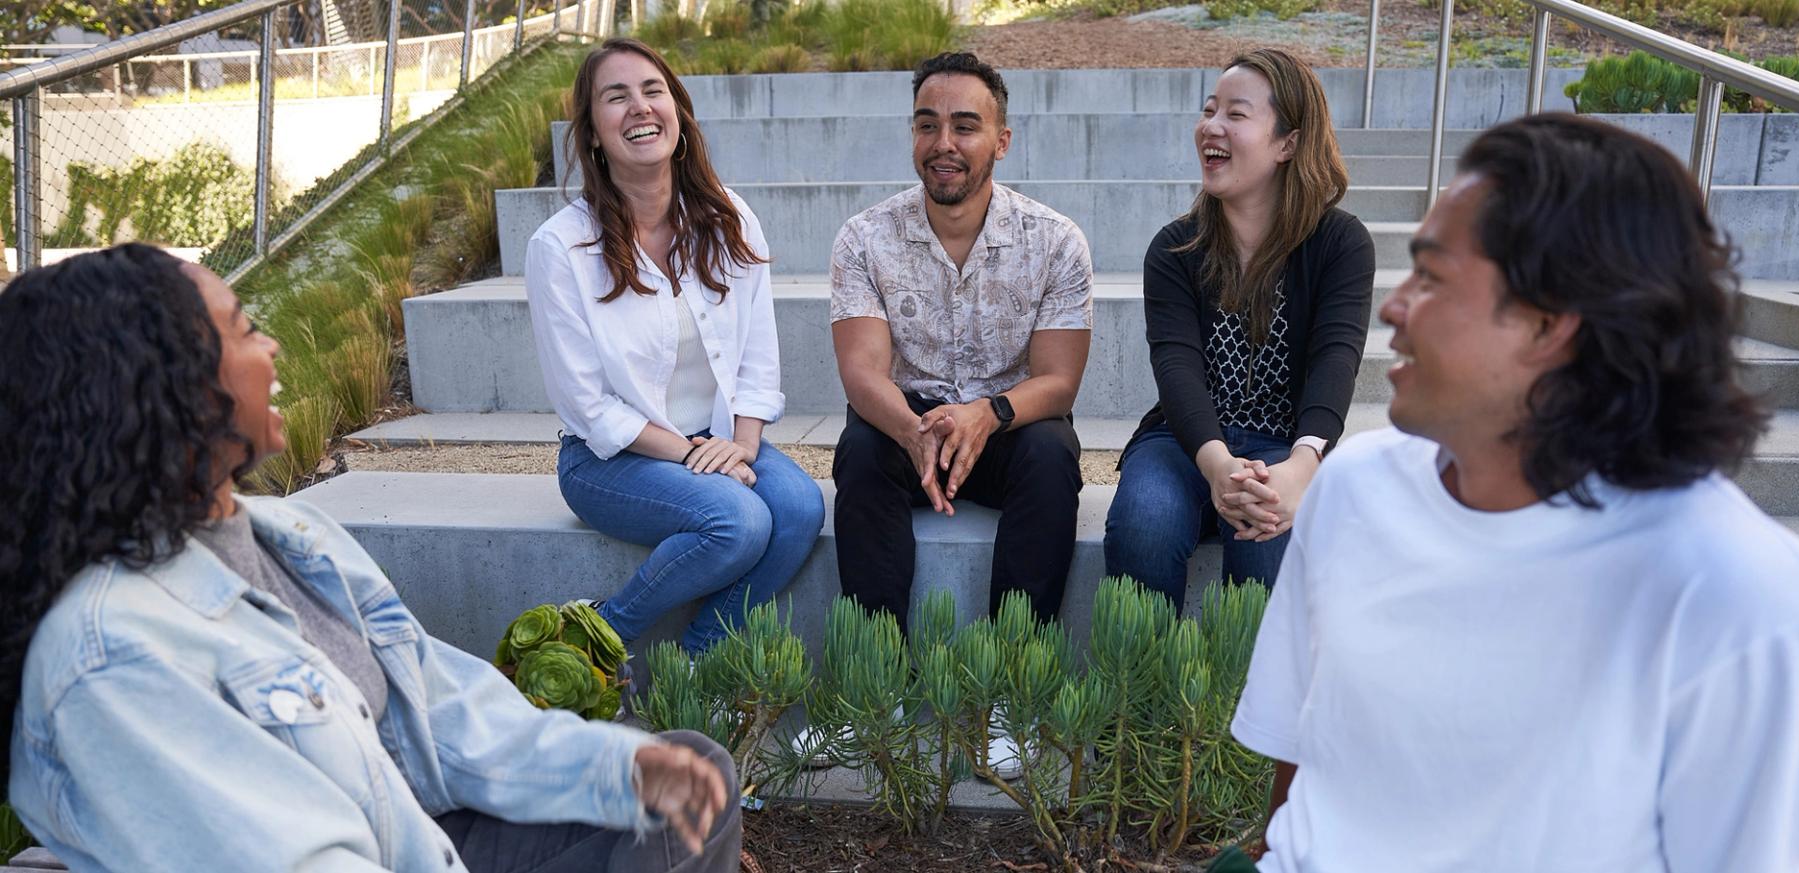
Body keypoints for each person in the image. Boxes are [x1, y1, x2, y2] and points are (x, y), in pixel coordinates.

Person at [1231, 114, 1799, 871]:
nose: (1395, 310)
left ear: (1550, 323)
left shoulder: (1753, 602)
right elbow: (1299, 770)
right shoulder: (1357, 487)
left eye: (1431, 276)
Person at [0, 244, 742, 872]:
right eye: (243, 329)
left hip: (419, 828)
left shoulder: (291, 536)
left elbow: (443, 710)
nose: (272, 347)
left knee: (684, 775)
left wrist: (617, 769)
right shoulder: (112, 653)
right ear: (151, 388)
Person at [526, 38, 824, 655]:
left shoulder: (729, 217)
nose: (639, 108)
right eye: (617, 97)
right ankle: (599, 638)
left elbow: (757, 359)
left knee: (798, 508)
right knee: (738, 523)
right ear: (594, 134)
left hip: (716, 438)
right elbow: (588, 405)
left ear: (678, 114)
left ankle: (699, 655)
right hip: (609, 460)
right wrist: (692, 457)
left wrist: (741, 445)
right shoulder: (560, 248)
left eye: (652, 90)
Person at [829, 51, 1094, 628]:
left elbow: (1058, 382)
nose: (943, 142)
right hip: (907, 421)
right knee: (860, 453)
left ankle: (1013, 688)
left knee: (1053, 457)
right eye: (928, 125)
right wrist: (910, 430)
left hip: (1008, 421)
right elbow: (862, 373)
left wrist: (987, 415)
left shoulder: (1055, 241)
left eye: (965, 126)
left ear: (1001, 142)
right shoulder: (864, 238)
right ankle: (878, 688)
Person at [1103, 49, 1374, 609]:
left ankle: (1245, 699)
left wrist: (1302, 468)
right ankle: (1144, 696)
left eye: (1236, 113)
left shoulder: (1340, 244)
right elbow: (1175, 367)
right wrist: (1219, 464)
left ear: (1288, 144)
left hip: (1287, 440)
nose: (1211, 127)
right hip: (1184, 441)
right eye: (1209, 110)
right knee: (1144, 524)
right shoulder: (1176, 248)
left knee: (1268, 544)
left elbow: (1335, 360)